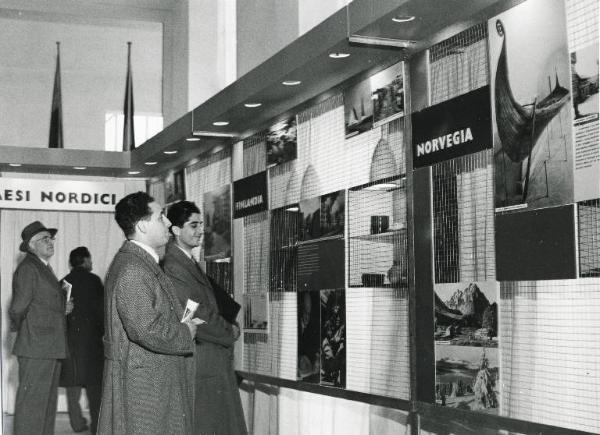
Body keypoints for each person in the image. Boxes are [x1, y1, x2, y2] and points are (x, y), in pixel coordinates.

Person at [97, 192, 198, 435]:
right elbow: (147, 329)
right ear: (142, 224)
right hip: (145, 388)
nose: (167, 223)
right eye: (160, 216)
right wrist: (186, 331)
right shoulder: (133, 268)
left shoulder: (140, 262)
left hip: (150, 379)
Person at [163, 200, 247, 435]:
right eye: (193, 225)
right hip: (203, 359)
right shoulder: (173, 264)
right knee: (208, 424)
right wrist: (228, 331)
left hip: (209, 357)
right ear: (176, 230)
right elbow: (194, 312)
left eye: (201, 224)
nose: (200, 230)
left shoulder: (186, 261)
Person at [9, 220, 73, 435]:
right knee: (32, 408)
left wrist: (62, 307)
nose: (50, 241)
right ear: (31, 246)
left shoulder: (43, 268)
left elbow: (41, 304)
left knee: (45, 406)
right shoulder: (29, 268)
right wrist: (28, 331)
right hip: (37, 347)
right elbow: (17, 308)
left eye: (50, 237)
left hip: (48, 347)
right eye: (43, 238)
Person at [60, 247, 104, 434]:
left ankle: (77, 424)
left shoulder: (63, 282)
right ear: (85, 260)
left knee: (72, 386)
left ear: (71, 263)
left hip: (70, 343)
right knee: (95, 390)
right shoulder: (94, 281)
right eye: (90, 259)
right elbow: (102, 311)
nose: (92, 263)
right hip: (92, 344)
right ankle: (96, 427)